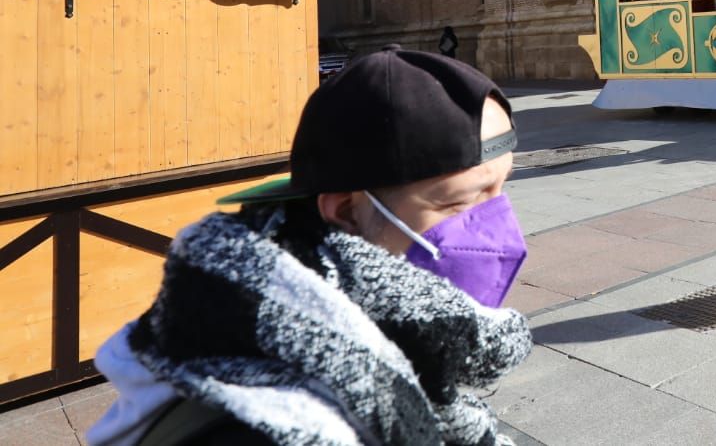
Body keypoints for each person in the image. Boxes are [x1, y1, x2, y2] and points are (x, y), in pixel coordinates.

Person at [89, 47, 533, 446]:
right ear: (344, 212)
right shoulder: (268, 423)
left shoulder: (408, 345)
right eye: (460, 201)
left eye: (501, 188)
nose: (497, 227)